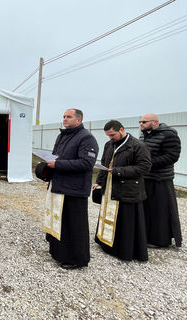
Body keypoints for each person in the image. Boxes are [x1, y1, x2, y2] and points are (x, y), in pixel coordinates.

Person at [44, 108, 98, 270]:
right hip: (59, 184)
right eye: (64, 116)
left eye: (69, 117)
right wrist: (50, 176)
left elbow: (86, 163)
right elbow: (55, 156)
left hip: (75, 188)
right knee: (60, 221)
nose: (65, 119)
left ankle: (76, 259)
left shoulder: (87, 138)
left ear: (79, 120)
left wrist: (57, 164)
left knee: (75, 225)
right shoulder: (63, 135)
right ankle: (59, 252)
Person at [94, 120, 151, 261]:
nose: (110, 138)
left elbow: (145, 167)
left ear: (121, 129)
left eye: (112, 135)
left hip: (128, 190)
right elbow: (104, 165)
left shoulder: (138, 146)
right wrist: (98, 182)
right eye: (108, 136)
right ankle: (106, 244)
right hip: (110, 189)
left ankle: (124, 250)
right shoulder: (109, 145)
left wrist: (118, 171)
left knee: (126, 222)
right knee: (109, 217)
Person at [139, 113, 182, 248]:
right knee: (147, 210)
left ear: (155, 122)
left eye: (144, 122)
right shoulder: (143, 136)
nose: (141, 124)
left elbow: (172, 156)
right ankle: (146, 237)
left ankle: (160, 241)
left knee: (160, 211)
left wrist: (148, 163)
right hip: (146, 178)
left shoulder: (169, 135)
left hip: (161, 179)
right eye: (140, 122)